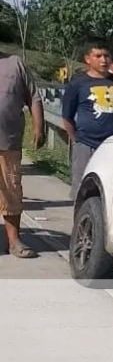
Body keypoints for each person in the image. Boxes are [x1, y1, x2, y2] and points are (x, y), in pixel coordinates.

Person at [62, 38, 113, 200]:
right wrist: (77, 140)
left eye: (106, 56)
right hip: (86, 144)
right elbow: (67, 117)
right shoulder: (78, 83)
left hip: (112, 146)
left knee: (108, 190)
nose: (103, 60)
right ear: (88, 59)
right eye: (98, 56)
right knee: (82, 190)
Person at [0, 51, 45, 258]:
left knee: (12, 190)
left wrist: (39, 126)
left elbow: (33, 96)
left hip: (8, 141)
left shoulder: (15, 63)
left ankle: (14, 241)